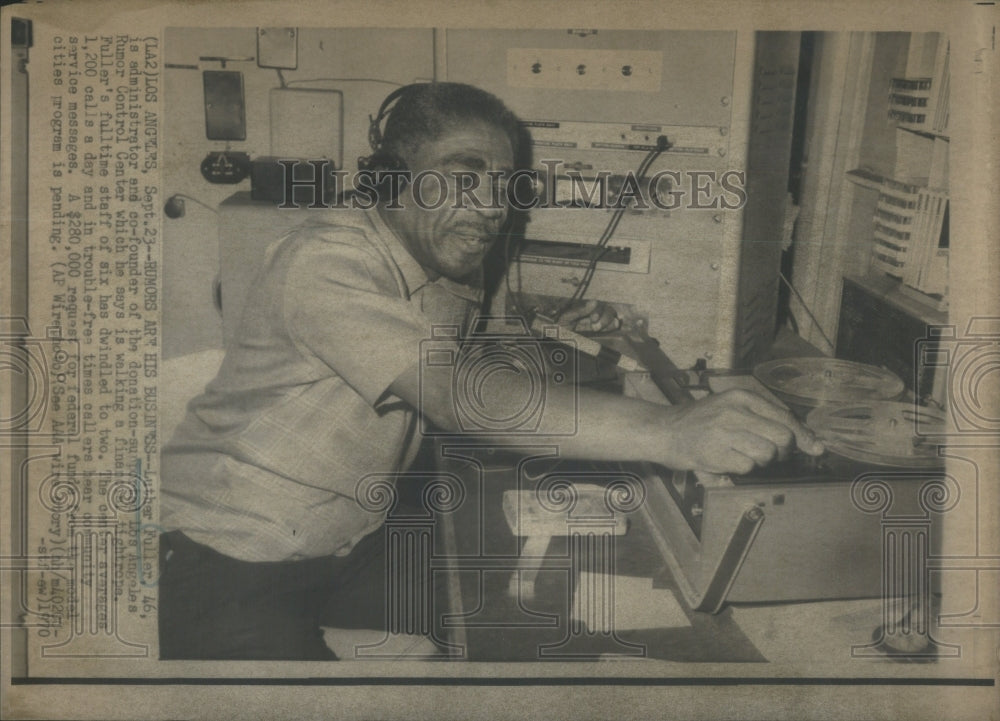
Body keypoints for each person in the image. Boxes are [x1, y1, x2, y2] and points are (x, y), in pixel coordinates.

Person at [158, 82, 824, 660]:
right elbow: (456, 395)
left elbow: (460, 353)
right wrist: (673, 430)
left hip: (346, 542)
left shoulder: (442, 257)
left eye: (503, 185)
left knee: (533, 615)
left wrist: (614, 364)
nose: (489, 206)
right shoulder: (325, 262)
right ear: (392, 178)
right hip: (226, 559)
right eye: (463, 174)